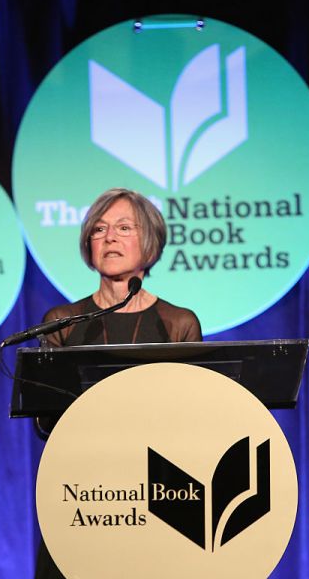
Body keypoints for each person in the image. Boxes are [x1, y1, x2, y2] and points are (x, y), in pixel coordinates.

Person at [34, 187, 202, 579]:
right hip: (82, 495)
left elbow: (191, 419)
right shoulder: (62, 322)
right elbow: (46, 421)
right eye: (99, 229)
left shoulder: (179, 324)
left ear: (150, 242)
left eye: (124, 227)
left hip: (158, 495)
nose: (109, 237)